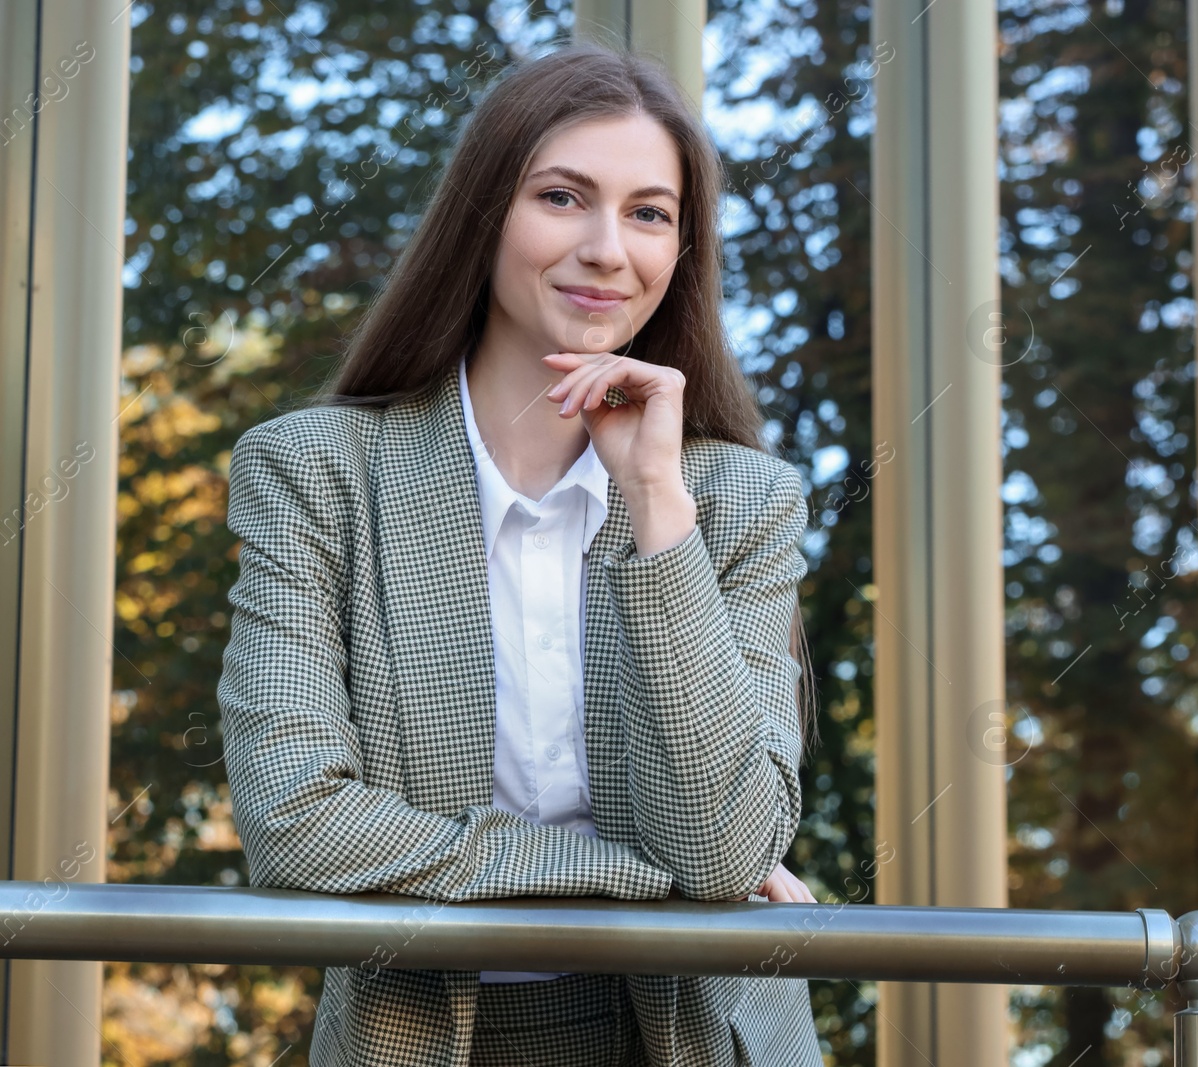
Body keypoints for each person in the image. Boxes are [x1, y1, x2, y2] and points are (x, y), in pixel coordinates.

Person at [216, 40, 825, 1066]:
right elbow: (297, 819)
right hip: (412, 1036)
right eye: (561, 197)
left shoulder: (736, 501)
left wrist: (654, 510)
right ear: (484, 214)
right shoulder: (315, 471)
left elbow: (721, 851)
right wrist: (627, 877)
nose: (606, 249)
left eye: (648, 213)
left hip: (688, 1038)